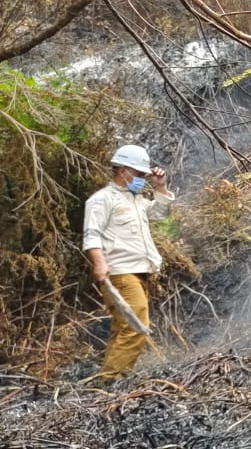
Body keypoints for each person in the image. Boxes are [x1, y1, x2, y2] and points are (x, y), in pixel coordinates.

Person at [81, 145, 173, 382]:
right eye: (139, 174)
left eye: (144, 175)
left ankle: (103, 382)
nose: (142, 179)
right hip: (120, 273)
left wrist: (160, 187)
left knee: (122, 327)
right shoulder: (101, 199)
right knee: (136, 326)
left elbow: (161, 215)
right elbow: (92, 234)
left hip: (139, 272)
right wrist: (99, 263)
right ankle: (111, 381)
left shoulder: (137, 200)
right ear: (123, 170)